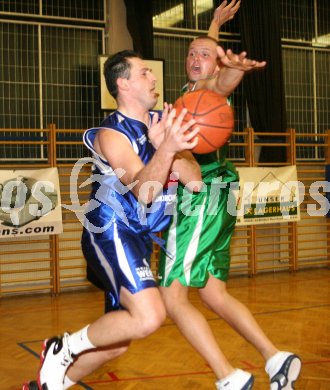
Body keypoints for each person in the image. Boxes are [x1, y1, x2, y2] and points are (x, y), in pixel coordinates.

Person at [23, 50, 203, 390]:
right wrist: (165, 150)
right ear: (123, 83)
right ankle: (63, 347)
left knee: (118, 341)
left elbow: (195, 180)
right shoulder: (111, 134)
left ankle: (51, 385)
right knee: (150, 316)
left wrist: (171, 146)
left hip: (140, 236)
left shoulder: (162, 125)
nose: (153, 79)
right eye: (145, 72)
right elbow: (144, 190)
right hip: (110, 230)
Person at [158, 33, 302, 390]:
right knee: (213, 293)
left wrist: (234, 70)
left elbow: (220, 83)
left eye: (204, 55)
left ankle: (228, 377)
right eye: (191, 53)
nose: (195, 58)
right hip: (223, 192)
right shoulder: (193, 89)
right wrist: (214, 28)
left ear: (217, 62)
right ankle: (275, 357)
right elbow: (208, 65)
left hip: (200, 195)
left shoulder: (206, 94)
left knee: (171, 296)